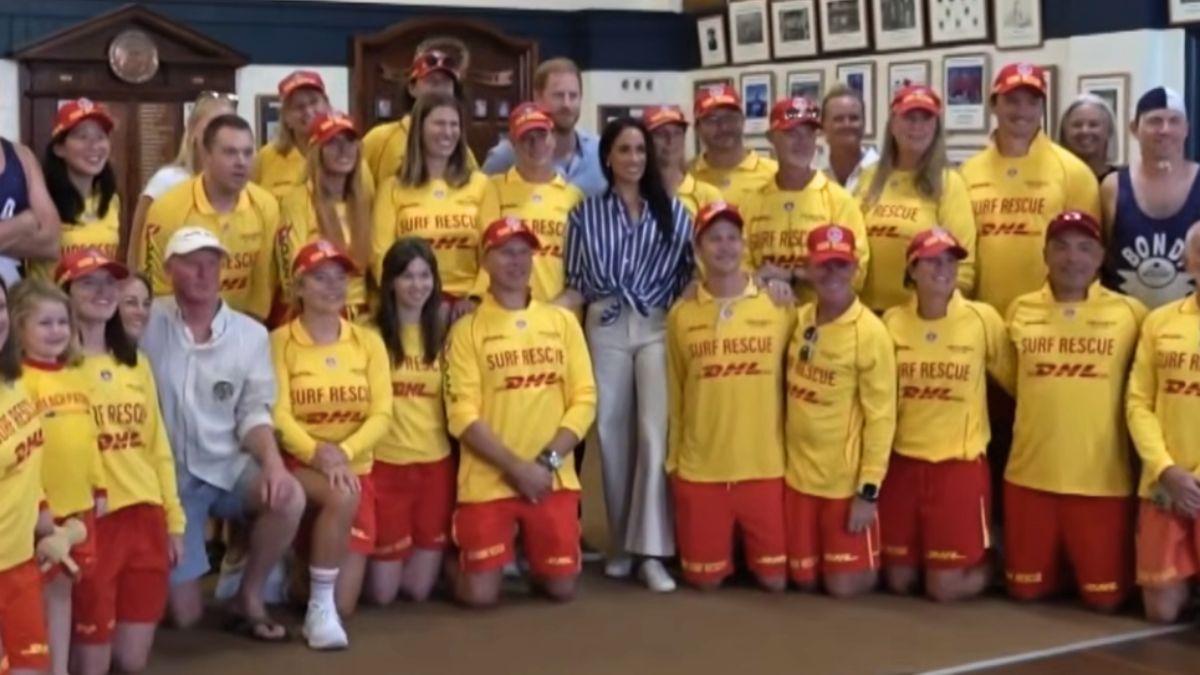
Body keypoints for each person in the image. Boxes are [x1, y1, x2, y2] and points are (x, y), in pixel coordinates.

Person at [141, 227, 302, 645]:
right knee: (184, 617)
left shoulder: (251, 335)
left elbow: (253, 411)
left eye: (213, 262)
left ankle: (249, 596)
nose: (204, 271)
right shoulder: (146, 321)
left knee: (289, 497)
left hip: (228, 467)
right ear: (169, 268)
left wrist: (273, 465)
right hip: (172, 483)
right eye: (192, 262)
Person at [562, 117, 694, 592]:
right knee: (612, 435)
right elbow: (576, 284)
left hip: (658, 324)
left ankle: (652, 551)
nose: (634, 159)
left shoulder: (676, 214)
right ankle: (621, 542)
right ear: (609, 158)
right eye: (624, 150)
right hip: (606, 323)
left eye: (640, 150)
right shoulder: (584, 216)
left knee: (653, 433)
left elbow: (689, 280)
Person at [445, 216, 596, 607]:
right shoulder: (467, 330)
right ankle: (457, 555)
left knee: (561, 589)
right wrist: (517, 469)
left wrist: (545, 464)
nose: (516, 260)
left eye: (524, 252)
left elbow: (585, 400)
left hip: (551, 477)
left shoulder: (561, 322)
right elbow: (461, 415)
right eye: (505, 252)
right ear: (486, 261)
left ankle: (530, 548)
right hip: (489, 478)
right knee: (479, 597)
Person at [1004, 210, 1145, 611]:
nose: (1072, 258)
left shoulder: (1131, 315)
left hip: (1101, 482)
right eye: (1061, 247)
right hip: (1030, 477)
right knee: (1024, 592)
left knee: (1105, 601)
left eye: (1085, 248)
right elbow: (1010, 379)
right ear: (1045, 255)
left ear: (1101, 256)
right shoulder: (1019, 310)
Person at [58, 249, 184, 674]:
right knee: (89, 662)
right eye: (88, 283)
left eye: (109, 283)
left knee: (130, 661)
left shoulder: (136, 364)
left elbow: (158, 447)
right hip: (93, 522)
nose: (102, 292)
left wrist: (174, 521)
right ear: (66, 293)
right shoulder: (53, 371)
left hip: (145, 517)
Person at [880, 228, 1014, 602]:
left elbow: (1016, 380)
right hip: (902, 462)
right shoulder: (891, 321)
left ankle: (994, 560)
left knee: (944, 589)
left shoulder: (981, 319)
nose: (944, 269)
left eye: (951, 261)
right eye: (933, 260)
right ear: (912, 268)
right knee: (898, 582)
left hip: (958, 463)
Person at [665, 202, 792, 592]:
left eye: (732, 238)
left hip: (764, 467)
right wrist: (675, 464)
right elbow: (677, 393)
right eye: (714, 239)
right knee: (704, 582)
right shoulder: (681, 315)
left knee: (774, 581)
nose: (724, 247)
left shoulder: (778, 306)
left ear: (744, 244)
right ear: (698, 248)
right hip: (702, 470)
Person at [272, 239, 391, 648]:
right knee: (340, 496)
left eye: (339, 278)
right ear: (299, 287)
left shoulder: (368, 341)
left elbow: (382, 414)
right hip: (299, 466)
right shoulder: (279, 342)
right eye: (320, 278)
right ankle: (317, 611)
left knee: (349, 604)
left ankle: (303, 581)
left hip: (355, 467)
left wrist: (343, 452)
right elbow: (278, 414)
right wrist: (318, 453)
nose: (332, 287)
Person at [784, 224, 895, 597]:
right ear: (808, 268)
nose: (832, 274)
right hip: (796, 480)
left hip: (842, 486)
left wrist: (868, 492)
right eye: (823, 265)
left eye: (841, 265)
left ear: (855, 269)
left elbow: (881, 418)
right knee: (802, 581)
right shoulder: (800, 319)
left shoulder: (871, 333)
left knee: (843, 587)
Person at [960, 62, 1101, 316]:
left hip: (1048, 319)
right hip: (983, 316)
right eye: (1012, 100)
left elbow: (1089, 258)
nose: (1022, 110)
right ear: (994, 105)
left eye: (1032, 102)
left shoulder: (1075, 172)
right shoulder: (967, 172)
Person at [12, 279, 101, 675]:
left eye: (62, 322)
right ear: (19, 329)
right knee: (37, 598)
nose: (57, 331)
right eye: (45, 323)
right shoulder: (21, 382)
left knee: (63, 593)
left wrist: (98, 485)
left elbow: (90, 437)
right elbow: (24, 457)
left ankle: (61, 668)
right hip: (40, 513)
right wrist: (41, 506)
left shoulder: (75, 375)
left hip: (78, 506)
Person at [365, 237, 453, 605]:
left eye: (425, 275)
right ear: (390, 283)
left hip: (435, 465)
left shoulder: (446, 333)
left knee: (416, 591)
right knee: (383, 595)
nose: (417, 285)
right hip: (387, 465)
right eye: (407, 277)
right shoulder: (369, 335)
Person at [1125, 221, 1200, 623]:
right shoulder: (1160, 322)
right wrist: (1166, 470)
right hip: (1164, 485)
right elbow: (1138, 403)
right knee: (1160, 611)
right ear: (1189, 261)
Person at [371, 92, 498, 323]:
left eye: (454, 125)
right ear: (419, 129)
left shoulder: (481, 185)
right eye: (439, 123)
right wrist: (412, 301)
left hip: (469, 308)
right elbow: (382, 256)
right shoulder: (392, 188)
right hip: (412, 307)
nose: (448, 132)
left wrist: (475, 298)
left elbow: (493, 251)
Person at [144, 114, 279, 321]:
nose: (241, 162)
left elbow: (262, 286)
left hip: (241, 326)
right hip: (178, 326)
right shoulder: (167, 209)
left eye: (247, 152)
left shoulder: (266, 205)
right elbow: (155, 287)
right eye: (230, 153)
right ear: (206, 155)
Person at [855, 85, 976, 312]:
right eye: (909, 117)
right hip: (867, 314)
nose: (917, 127)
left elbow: (964, 269)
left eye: (926, 118)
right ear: (892, 124)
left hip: (920, 318)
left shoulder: (949, 183)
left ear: (936, 127)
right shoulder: (869, 177)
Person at [743, 97, 868, 304]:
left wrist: (794, 275)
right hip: (764, 321)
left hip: (822, 321)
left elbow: (857, 274)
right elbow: (737, 268)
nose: (801, 142)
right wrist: (764, 284)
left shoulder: (839, 200)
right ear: (771, 137)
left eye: (808, 133)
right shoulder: (751, 203)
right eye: (791, 133)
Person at [1101, 86, 1200, 309]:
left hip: (1189, 329)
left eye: (1174, 121)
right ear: (1134, 128)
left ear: (1186, 129)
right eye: (1155, 121)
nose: (1165, 130)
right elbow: (1099, 255)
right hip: (1124, 324)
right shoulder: (1113, 186)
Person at [0, 276, 55, 675]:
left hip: (18, 563)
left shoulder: (12, 380)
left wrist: (43, 513)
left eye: (0, 308)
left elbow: (27, 460)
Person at [475, 103, 584, 303]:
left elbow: (580, 268)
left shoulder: (573, 196)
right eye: (526, 138)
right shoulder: (495, 187)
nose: (535, 145)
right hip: (504, 309)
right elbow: (487, 249)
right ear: (513, 144)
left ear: (553, 139)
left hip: (558, 313)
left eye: (542, 136)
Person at [278, 112, 373, 322]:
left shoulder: (363, 199)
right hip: (316, 314)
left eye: (350, 142)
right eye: (333, 142)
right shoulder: (298, 200)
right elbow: (291, 273)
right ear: (317, 151)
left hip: (363, 317)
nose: (343, 150)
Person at [128, 91, 236, 269]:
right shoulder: (166, 181)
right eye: (213, 126)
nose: (221, 134)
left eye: (228, 126)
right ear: (192, 130)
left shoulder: (239, 186)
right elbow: (136, 249)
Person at [483, 58, 606, 198]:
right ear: (537, 97)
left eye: (573, 96)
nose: (567, 104)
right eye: (558, 96)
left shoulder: (599, 152)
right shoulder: (506, 156)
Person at [362, 46, 474, 189]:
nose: (439, 90)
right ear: (412, 88)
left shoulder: (460, 147)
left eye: (445, 83)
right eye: (432, 82)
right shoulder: (379, 139)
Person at [37, 99, 120, 281]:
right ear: (59, 148)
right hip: (52, 306)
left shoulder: (111, 201)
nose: (94, 145)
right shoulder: (41, 200)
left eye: (100, 137)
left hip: (98, 302)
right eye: (82, 137)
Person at [689, 83, 778, 209]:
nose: (723, 127)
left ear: (742, 120)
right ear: (698, 128)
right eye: (712, 120)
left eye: (730, 118)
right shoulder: (686, 177)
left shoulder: (774, 174)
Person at [252, 70, 333, 199]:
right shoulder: (266, 157)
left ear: (327, 106)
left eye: (314, 102)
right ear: (286, 118)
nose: (308, 111)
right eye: (299, 107)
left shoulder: (346, 152)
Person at [0, 133, 61, 287]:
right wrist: (23, 223)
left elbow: (51, 245)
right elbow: (35, 226)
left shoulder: (21, 156)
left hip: (13, 300)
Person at [644, 105, 722, 219]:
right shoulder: (636, 193)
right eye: (661, 134)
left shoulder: (708, 195)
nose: (670, 140)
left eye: (677, 133)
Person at [815, 85, 879, 192]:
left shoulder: (882, 172)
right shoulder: (813, 174)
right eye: (838, 119)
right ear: (823, 127)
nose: (847, 124)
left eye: (854, 118)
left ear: (863, 124)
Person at [1059, 94, 1119, 181]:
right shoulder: (1051, 178)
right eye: (1077, 125)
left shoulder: (1123, 182)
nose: (1085, 131)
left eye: (1093, 125)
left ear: (1109, 131)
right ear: (1064, 131)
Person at [118, 273, 152, 341]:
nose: (141, 311)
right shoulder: (92, 350)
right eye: (131, 302)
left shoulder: (141, 352)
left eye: (146, 304)